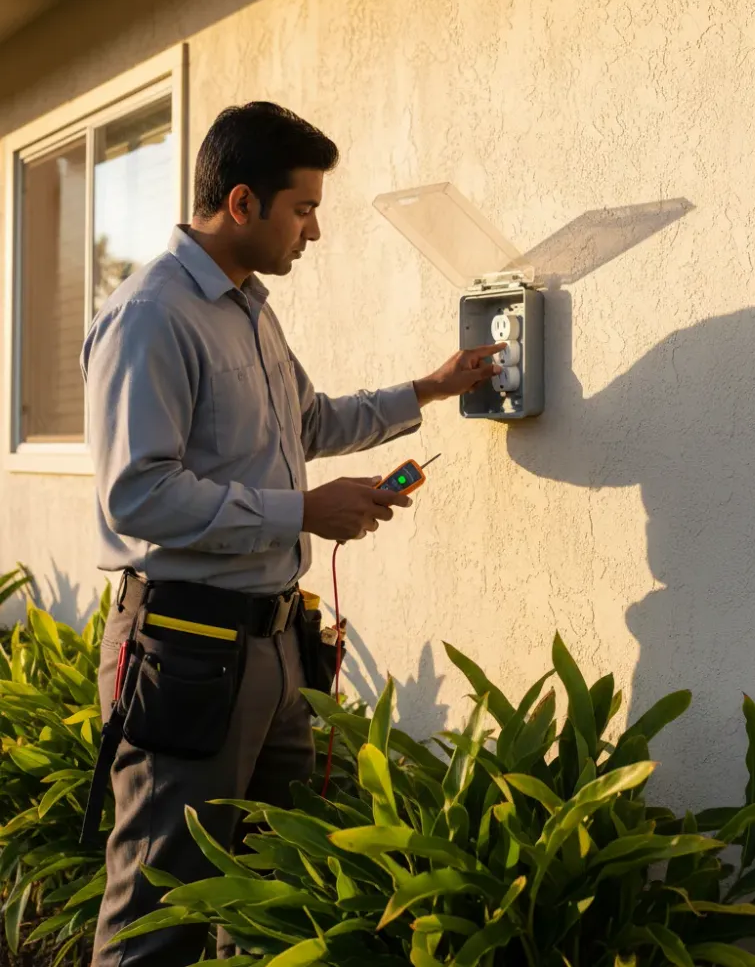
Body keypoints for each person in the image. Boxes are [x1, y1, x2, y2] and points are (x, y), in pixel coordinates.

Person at [81, 101, 504, 967]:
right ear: (242, 203)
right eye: (303, 208)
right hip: (187, 645)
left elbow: (306, 421)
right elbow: (138, 495)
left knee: (275, 901)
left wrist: (430, 388)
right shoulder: (151, 315)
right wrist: (301, 511)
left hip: (275, 648)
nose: (313, 230)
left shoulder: (249, 309)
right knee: (162, 914)